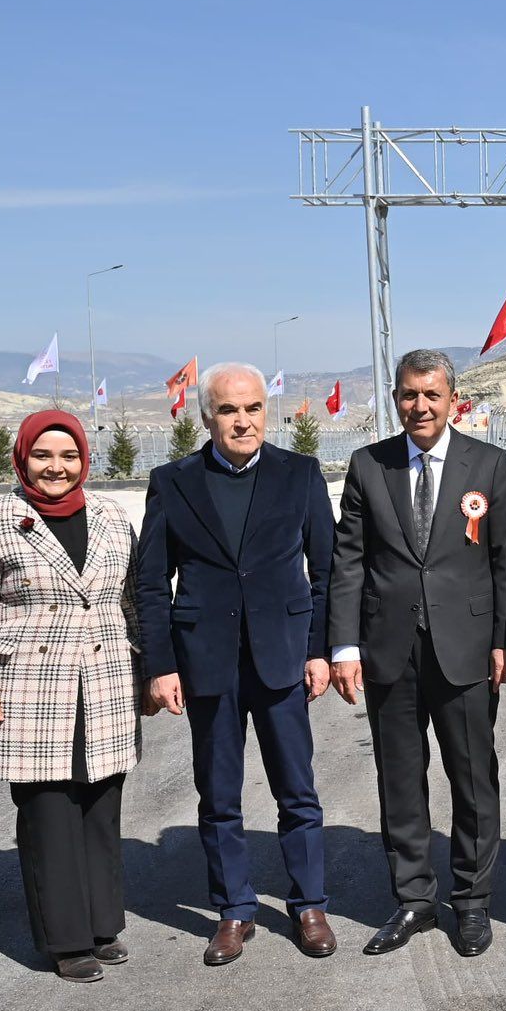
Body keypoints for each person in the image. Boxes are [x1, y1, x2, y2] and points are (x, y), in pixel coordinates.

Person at [137, 363, 336, 966]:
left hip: (281, 657)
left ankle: (309, 905)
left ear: (265, 413)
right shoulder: (172, 482)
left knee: (296, 790)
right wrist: (161, 664)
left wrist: (319, 649)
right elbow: (151, 583)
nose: (242, 421)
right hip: (208, 663)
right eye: (228, 410)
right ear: (207, 417)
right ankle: (234, 910)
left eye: (251, 409)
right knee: (218, 794)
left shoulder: (299, 475)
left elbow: (326, 573)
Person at [330, 348, 506, 959]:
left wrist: (504, 639)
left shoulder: (488, 465)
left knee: (472, 780)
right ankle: (414, 898)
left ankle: (471, 901)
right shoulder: (368, 466)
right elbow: (349, 562)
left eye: (431, 395)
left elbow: (503, 562)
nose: (420, 406)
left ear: (452, 398)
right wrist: (343, 645)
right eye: (409, 395)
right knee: (401, 783)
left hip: (464, 651)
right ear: (395, 399)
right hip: (390, 653)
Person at [0, 411, 141, 982]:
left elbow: (133, 598)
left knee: (101, 803)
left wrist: (150, 671)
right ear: (23, 458)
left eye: (68, 456)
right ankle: (66, 940)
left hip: (107, 676)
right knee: (48, 810)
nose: (56, 468)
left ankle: (102, 923)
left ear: (85, 460)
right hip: (31, 684)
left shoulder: (111, 515)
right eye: (43, 456)